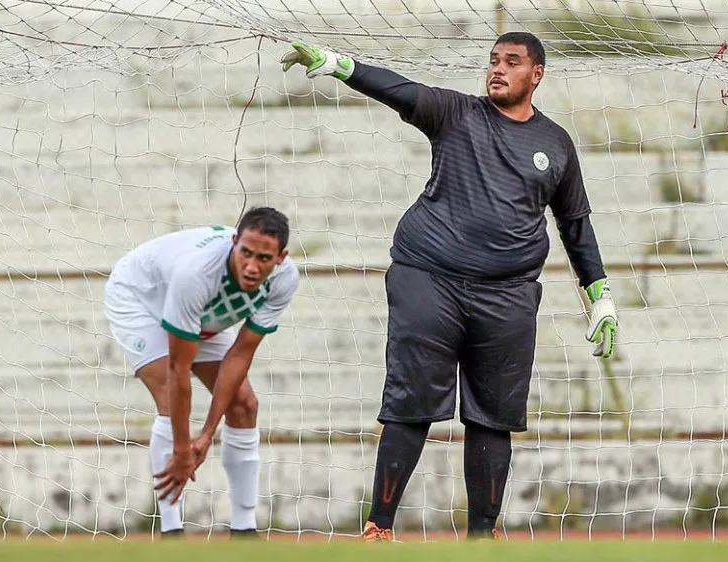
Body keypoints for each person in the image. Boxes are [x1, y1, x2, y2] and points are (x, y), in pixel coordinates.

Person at [282, 31, 618, 541]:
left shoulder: (555, 143)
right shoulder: (456, 113)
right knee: (412, 401)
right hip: (429, 277)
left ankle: (483, 537)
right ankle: (379, 527)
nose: (498, 69)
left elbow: (575, 224)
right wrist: (336, 63)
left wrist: (600, 297)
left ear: (536, 75)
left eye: (512, 62)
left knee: (494, 416)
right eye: (493, 60)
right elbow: (399, 89)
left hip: (508, 293)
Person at [103, 207, 299, 537]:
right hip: (141, 298)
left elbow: (241, 354)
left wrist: (207, 433)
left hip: (202, 312)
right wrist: (183, 449)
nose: (252, 267)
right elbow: (179, 370)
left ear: (281, 258)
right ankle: (172, 533)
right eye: (246, 253)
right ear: (234, 242)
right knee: (169, 398)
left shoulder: (285, 280)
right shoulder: (196, 274)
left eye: (264, 258)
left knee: (244, 405)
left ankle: (244, 532)